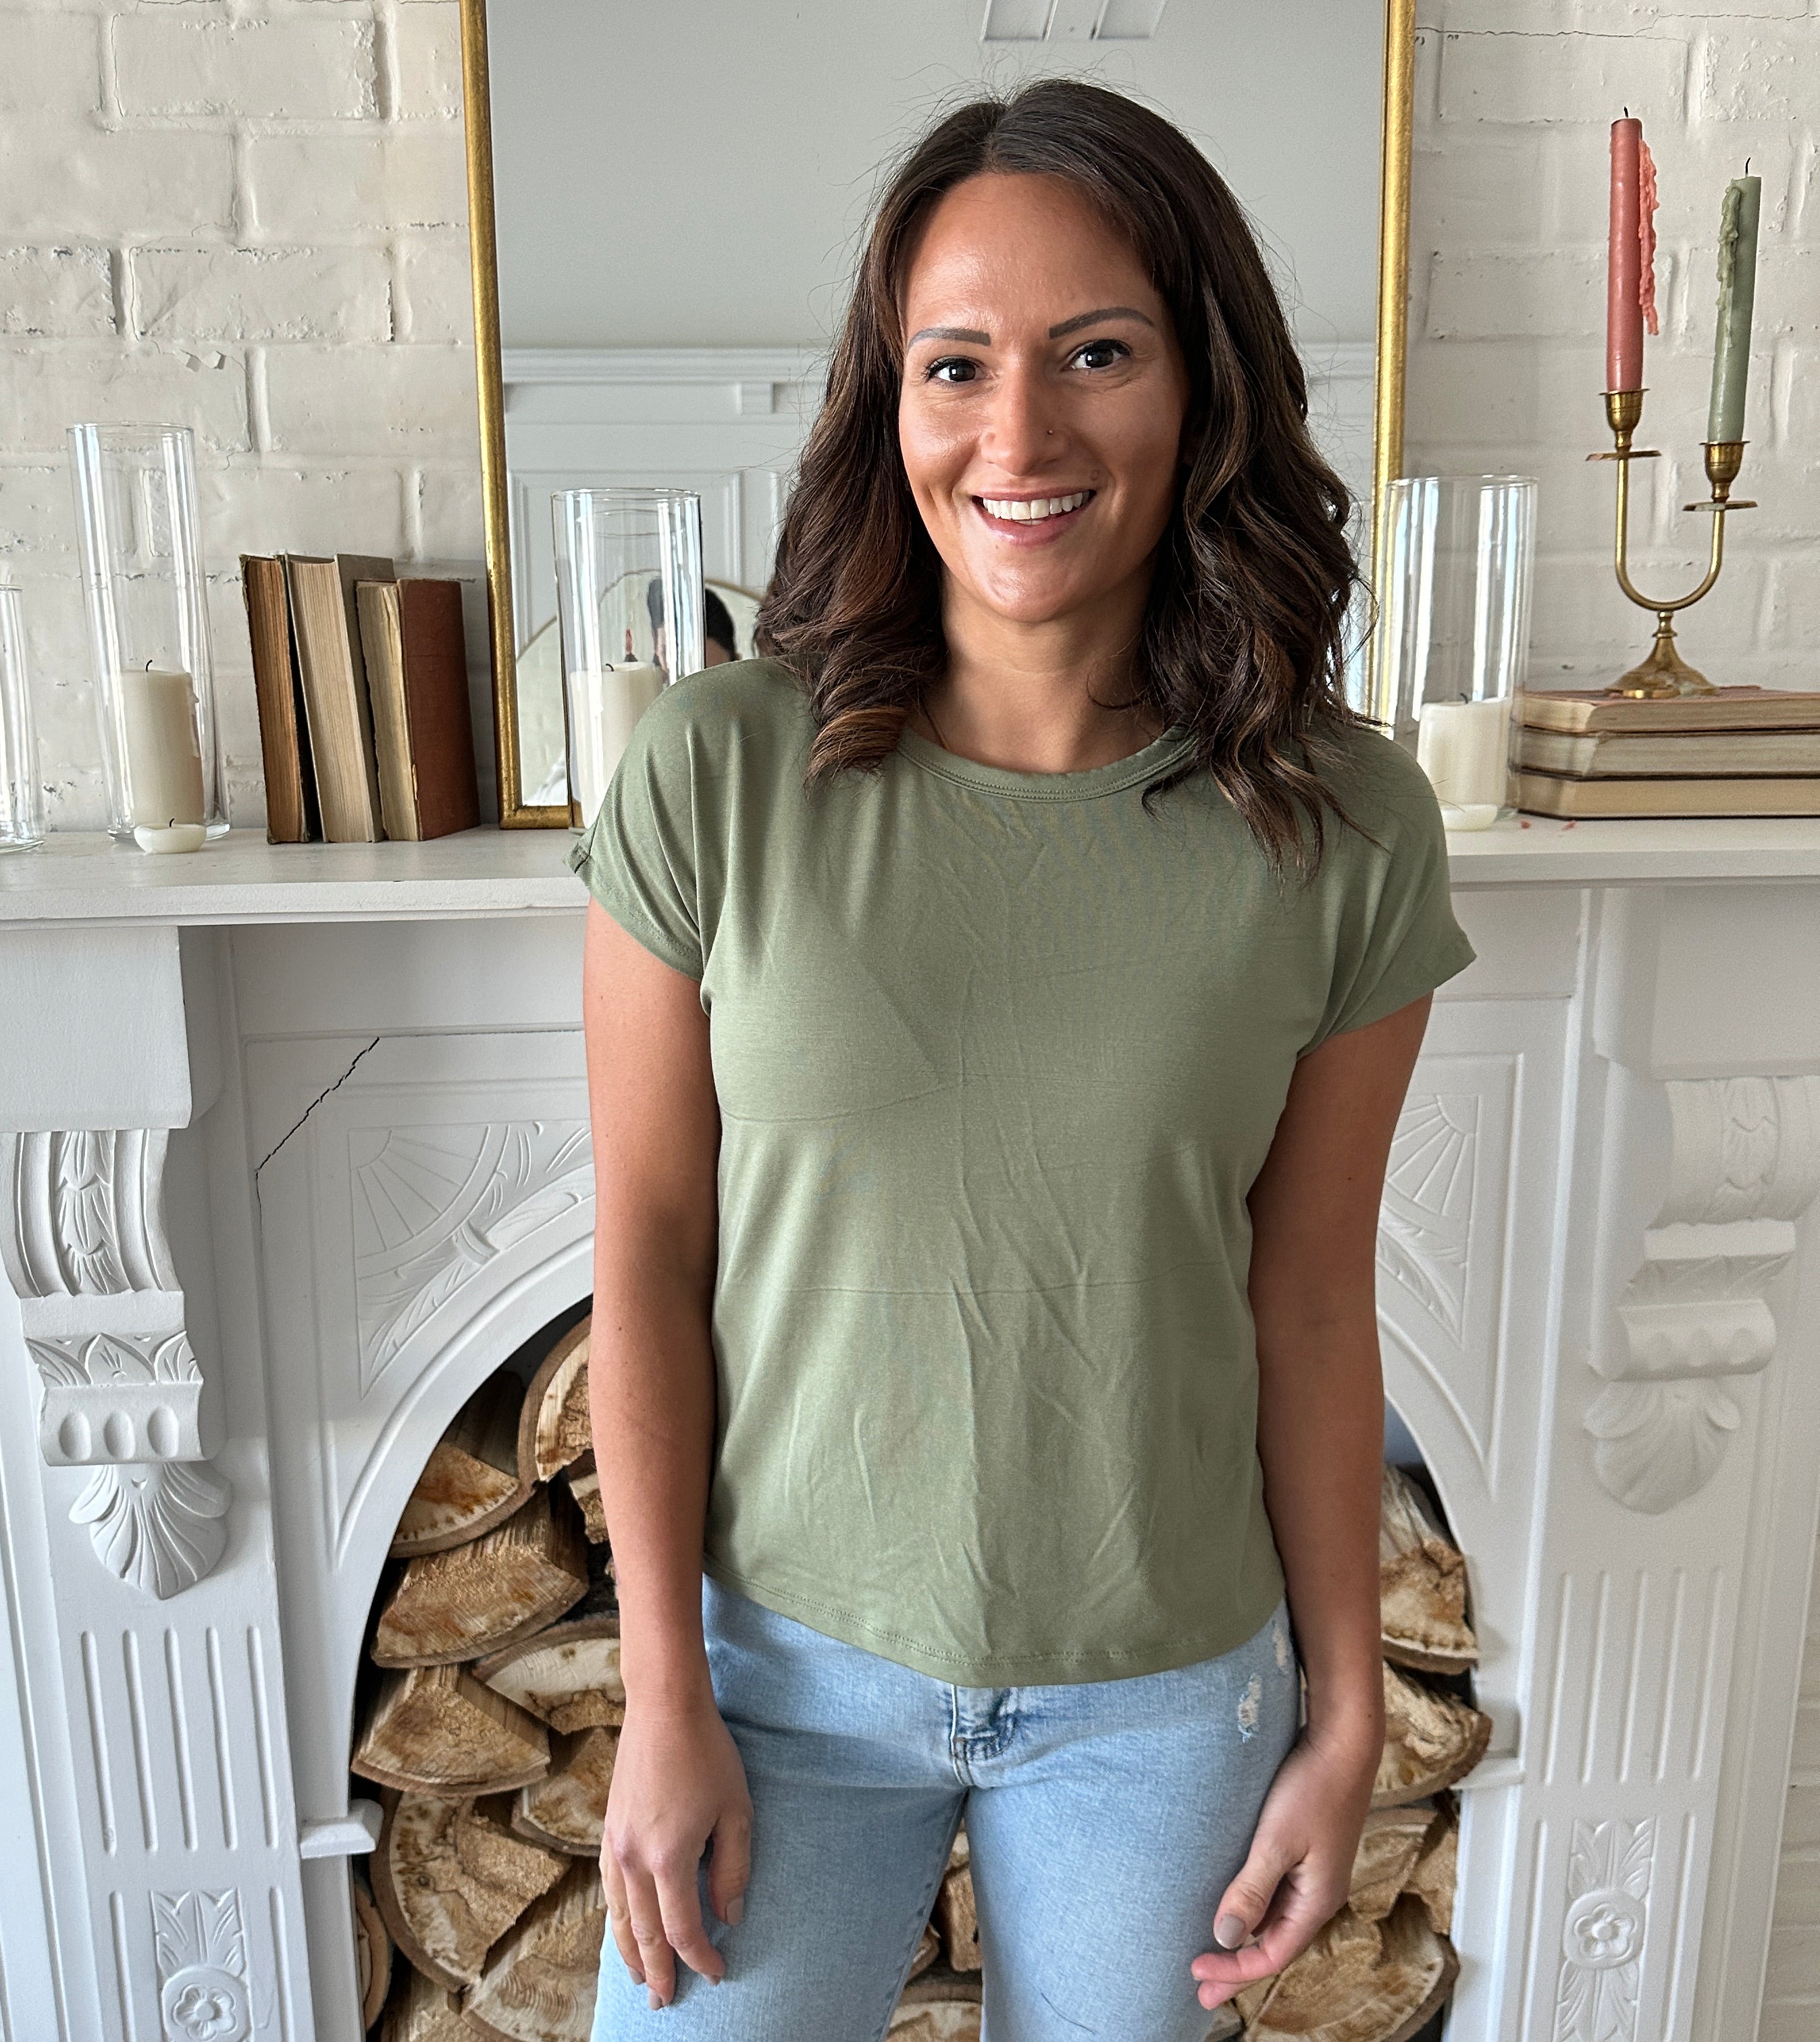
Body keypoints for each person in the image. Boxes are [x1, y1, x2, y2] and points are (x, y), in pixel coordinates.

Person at [569, 78, 1472, 2042]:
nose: (1021, 434)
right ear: (888, 408)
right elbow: (643, 1247)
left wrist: (1346, 1710)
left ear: (1201, 383)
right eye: (956, 365)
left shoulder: (1343, 825)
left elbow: (1311, 1302)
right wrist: (660, 1697)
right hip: (781, 1679)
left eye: (1098, 355)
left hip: (1166, 1700)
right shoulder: (718, 771)